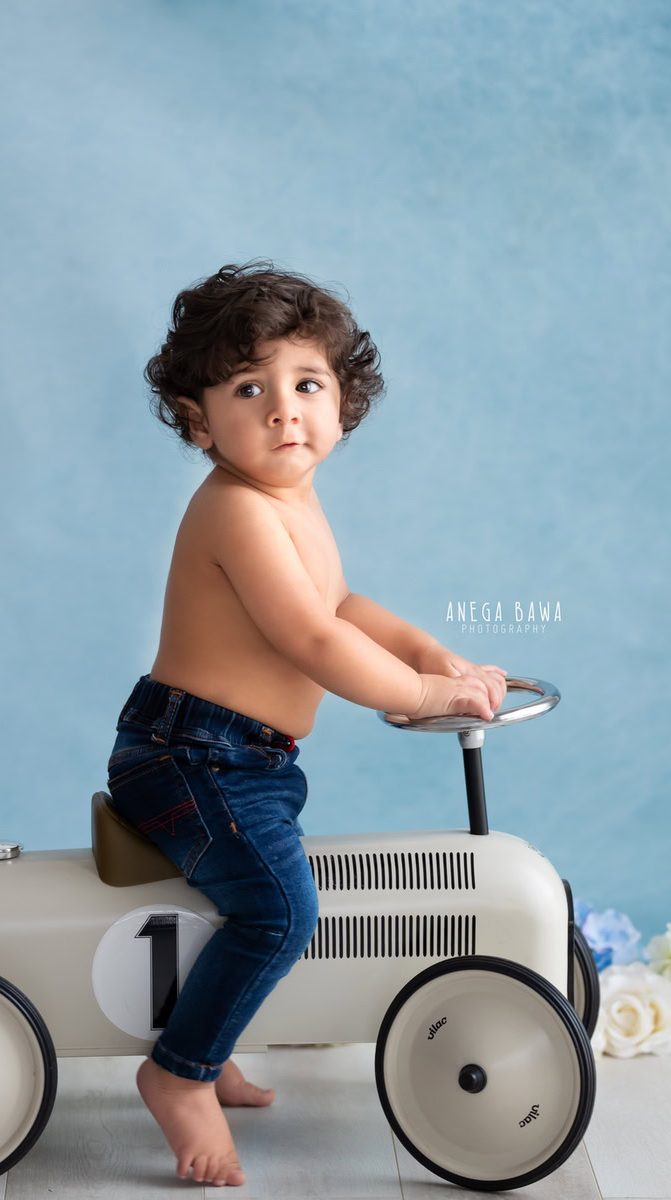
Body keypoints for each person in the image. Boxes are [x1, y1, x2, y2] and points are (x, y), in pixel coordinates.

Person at [106, 259, 507, 1187]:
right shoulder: (238, 511)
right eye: (251, 388)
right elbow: (312, 638)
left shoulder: (293, 497)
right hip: (188, 758)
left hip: (246, 762)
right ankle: (177, 1074)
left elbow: (344, 602)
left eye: (306, 383)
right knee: (282, 910)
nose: (284, 409)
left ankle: (210, 1042)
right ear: (200, 420)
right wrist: (425, 698)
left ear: (342, 404)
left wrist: (427, 652)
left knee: (246, 903)